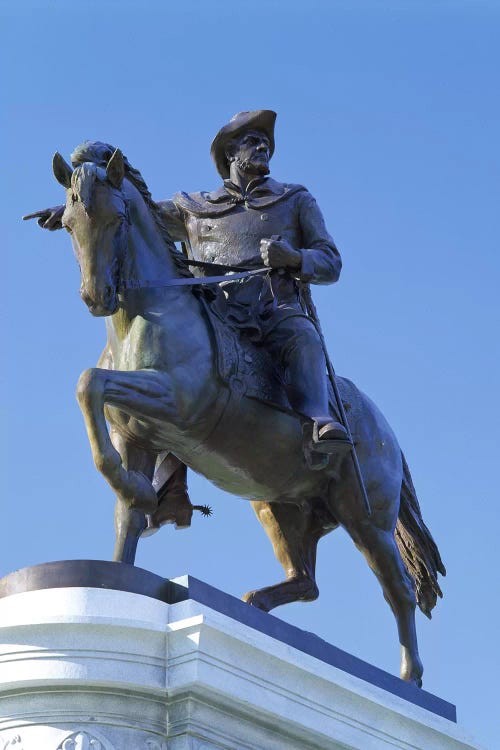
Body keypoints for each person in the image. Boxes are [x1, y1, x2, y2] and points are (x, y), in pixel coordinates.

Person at [27, 109, 349, 529]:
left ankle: (317, 420)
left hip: (272, 308)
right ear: (230, 153)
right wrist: (75, 204)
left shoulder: (295, 200)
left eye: (265, 141)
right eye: (252, 140)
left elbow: (331, 261)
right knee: (167, 358)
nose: (263, 146)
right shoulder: (196, 208)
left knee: (301, 335)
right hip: (214, 307)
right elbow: (128, 206)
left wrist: (294, 258)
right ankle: (170, 489)